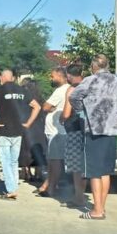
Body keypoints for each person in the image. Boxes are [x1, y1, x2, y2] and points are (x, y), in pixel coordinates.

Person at [68, 55, 117, 220]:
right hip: (112, 130)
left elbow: (73, 97)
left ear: (94, 66)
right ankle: (102, 206)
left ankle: (97, 210)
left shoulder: (90, 81)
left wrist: (82, 111)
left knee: (94, 171)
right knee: (105, 171)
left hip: (94, 129)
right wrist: (116, 119)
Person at [0, 69, 27, 200]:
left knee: (5, 161)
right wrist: (28, 123)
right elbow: (36, 106)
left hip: (4, 130)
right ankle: (14, 186)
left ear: (1, 78)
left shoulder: (0, 90)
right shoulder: (21, 90)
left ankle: (11, 190)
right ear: (13, 78)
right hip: (18, 131)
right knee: (14, 161)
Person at [38, 66, 70, 197]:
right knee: (53, 160)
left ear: (60, 76)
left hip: (56, 132)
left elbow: (45, 107)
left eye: (52, 76)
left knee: (55, 161)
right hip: (56, 131)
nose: (50, 79)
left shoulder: (61, 90)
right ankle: (48, 184)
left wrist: (50, 108)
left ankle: (51, 189)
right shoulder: (66, 89)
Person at [62, 64, 88, 210]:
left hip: (74, 130)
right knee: (84, 165)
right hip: (87, 129)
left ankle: (79, 197)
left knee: (76, 167)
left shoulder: (72, 89)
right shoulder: (88, 86)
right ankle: (81, 195)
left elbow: (66, 113)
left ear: (69, 75)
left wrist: (61, 118)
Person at [18, 75, 47, 184]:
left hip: (27, 125)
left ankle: (27, 172)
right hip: (39, 126)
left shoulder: (24, 99)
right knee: (38, 149)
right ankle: (38, 173)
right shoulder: (40, 99)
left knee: (26, 149)